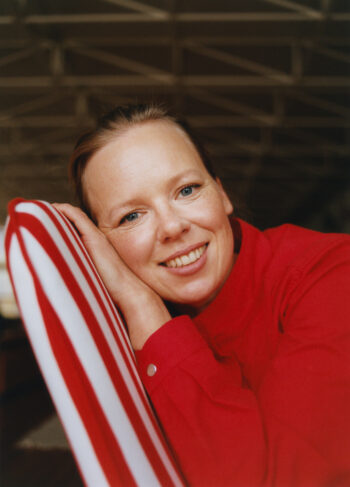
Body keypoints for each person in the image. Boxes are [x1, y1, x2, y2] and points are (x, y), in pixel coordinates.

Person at [54, 104, 350, 487]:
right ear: (103, 247)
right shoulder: (112, 336)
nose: (173, 227)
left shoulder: (329, 272)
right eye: (132, 216)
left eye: (187, 190)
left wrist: (145, 308)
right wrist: (138, 306)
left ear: (222, 194)